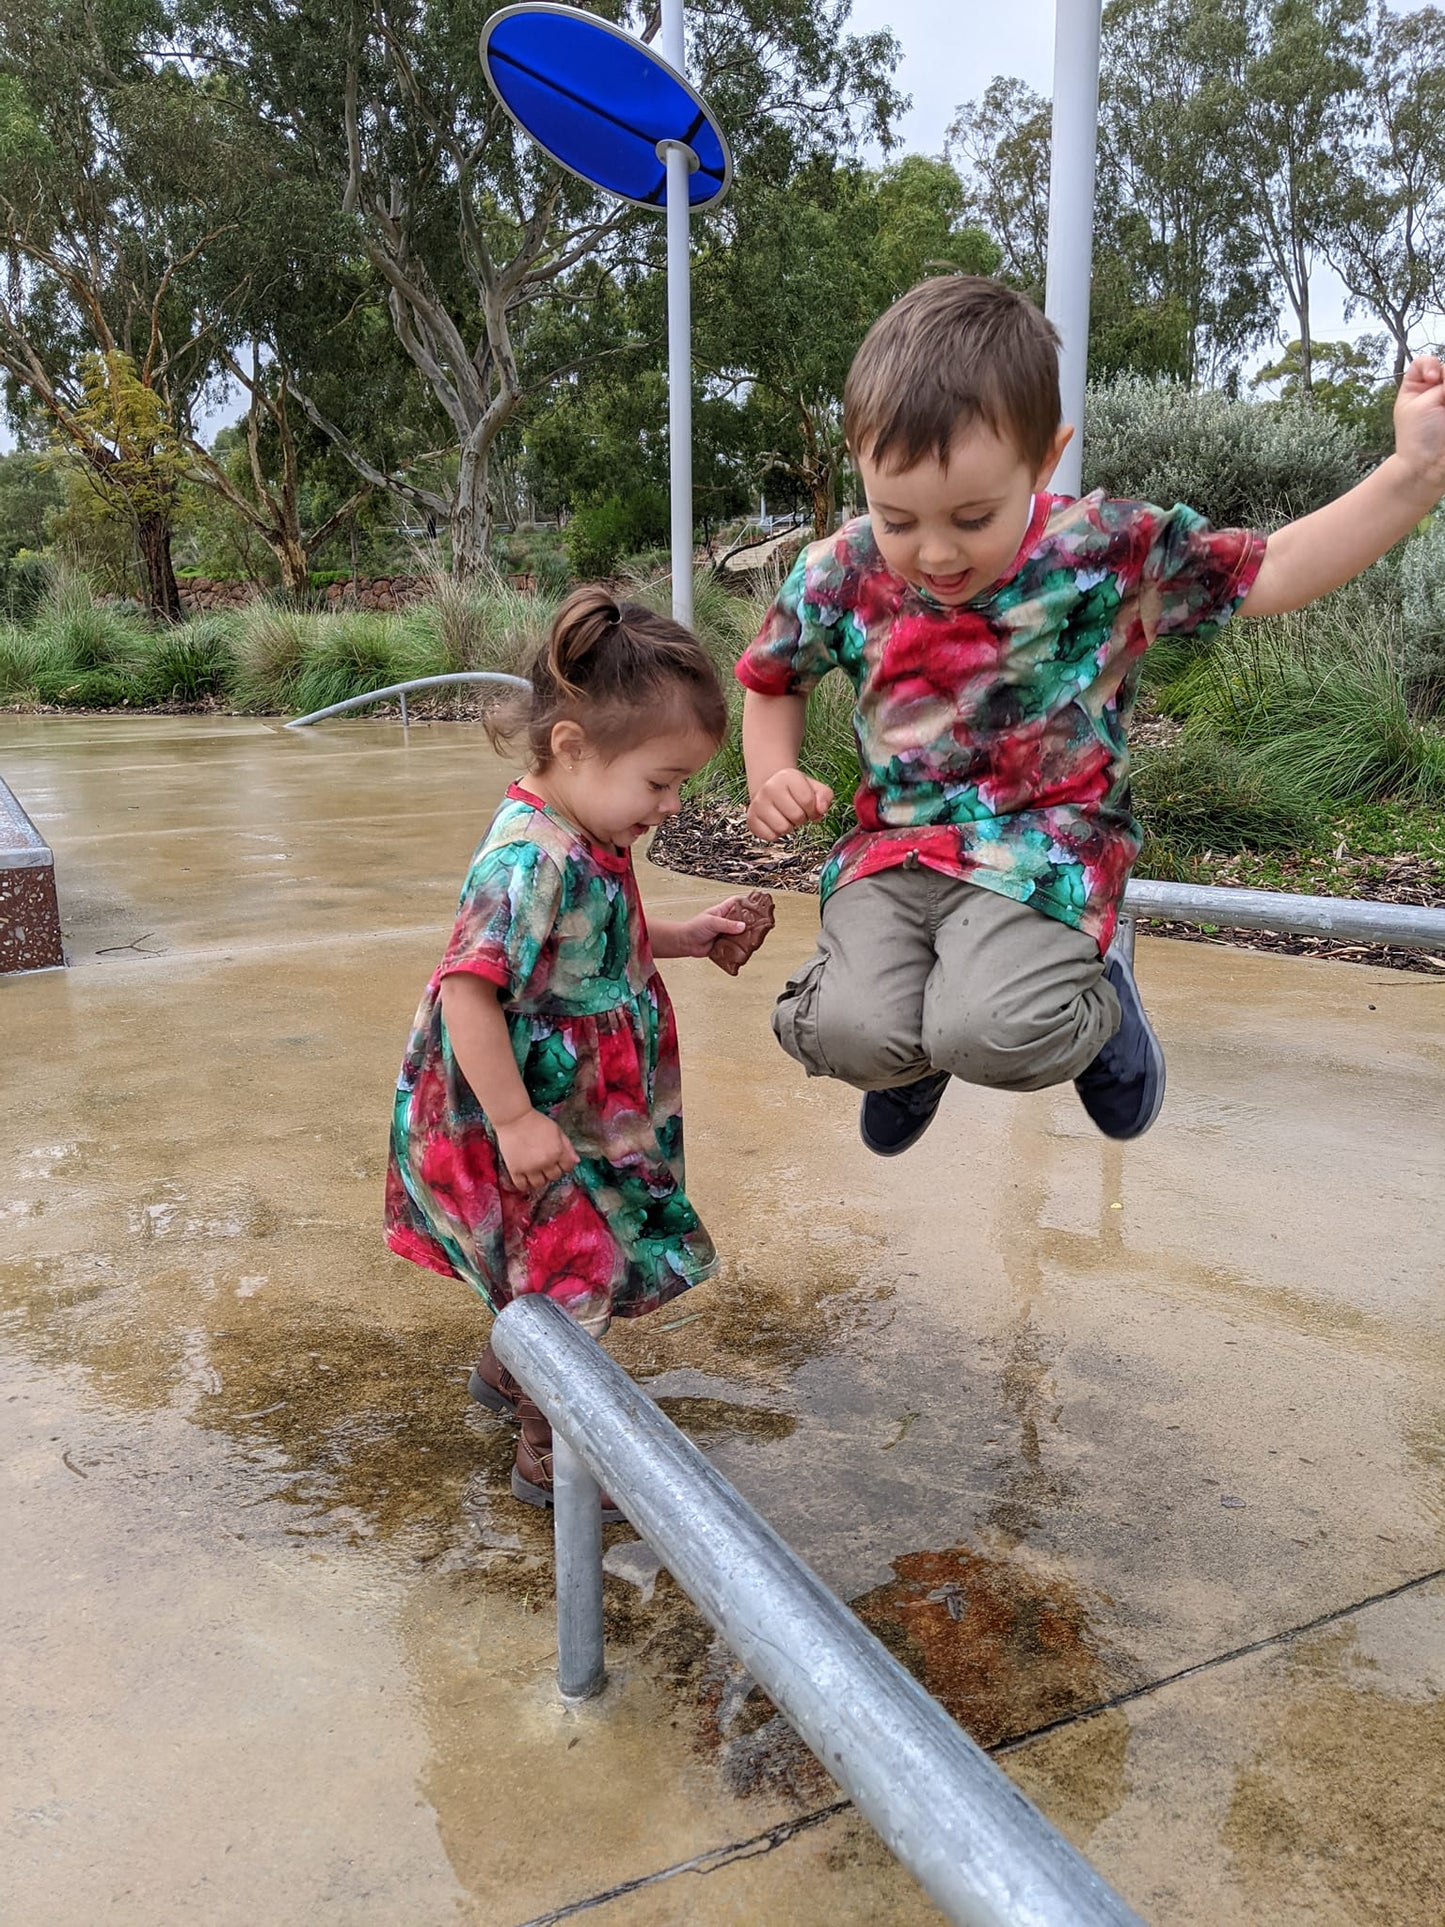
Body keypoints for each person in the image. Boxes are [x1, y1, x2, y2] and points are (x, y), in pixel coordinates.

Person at [738, 275, 1445, 1154]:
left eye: (971, 516)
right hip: (894, 851)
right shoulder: (839, 570)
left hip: (1044, 845)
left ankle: (1100, 1008)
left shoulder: (1098, 549)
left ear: (1043, 458)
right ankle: (911, 1062)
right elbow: (775, 678)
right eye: (897, 518)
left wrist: (1413, 473)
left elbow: (1275, 569)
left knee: (991, 1032)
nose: (935, 552)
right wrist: (771, 773)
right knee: (848, 1035)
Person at [386, 587, 770, 1518]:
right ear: (569, 747)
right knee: (574, 1272)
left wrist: (689, 934)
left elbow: (592, 946)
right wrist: (514, 1120)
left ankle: (506, 1364)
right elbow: (468, 987)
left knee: (551, 1260)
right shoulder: (530, 859)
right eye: (660, 782)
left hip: (574, 1113)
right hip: (515, 1113)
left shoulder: (589, 831)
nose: (672, 806)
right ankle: (552, 1449)